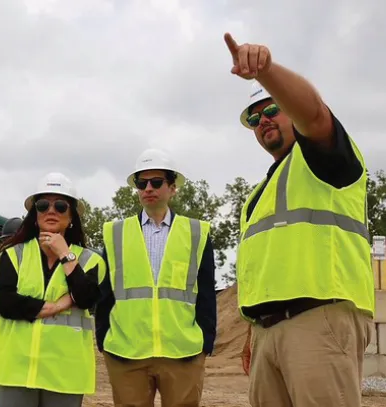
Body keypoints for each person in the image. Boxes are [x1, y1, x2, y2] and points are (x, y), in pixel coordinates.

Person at [224, 32, 375, 407]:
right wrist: (252, 333)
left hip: (319, 320)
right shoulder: (257, 196)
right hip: (267, 331)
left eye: (272, 109)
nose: (263, 121)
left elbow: (315, 113)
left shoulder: (324, 160)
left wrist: (266, 71)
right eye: (255, 118)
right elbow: (266, 268)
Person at [95, 148, 217, 407]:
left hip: (183, 351)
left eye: (156, 182)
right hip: (126, 352)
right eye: (142, 183)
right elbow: (105, 292)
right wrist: (103, 337)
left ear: (172, 188)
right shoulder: (115, 233)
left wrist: (206, 341)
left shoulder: (196, 232)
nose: (148, 188)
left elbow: (206, 292)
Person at [0, 172, 106, 407]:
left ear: (72, 216)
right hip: (15, 369)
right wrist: (57, 305)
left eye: (61, 205)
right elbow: (4, 302)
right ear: (35, 215)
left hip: (64, 373)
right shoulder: (14, 253)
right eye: (43, 205)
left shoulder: (90, 260)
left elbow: (86, 298)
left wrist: (65, 254)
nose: (51, 210)